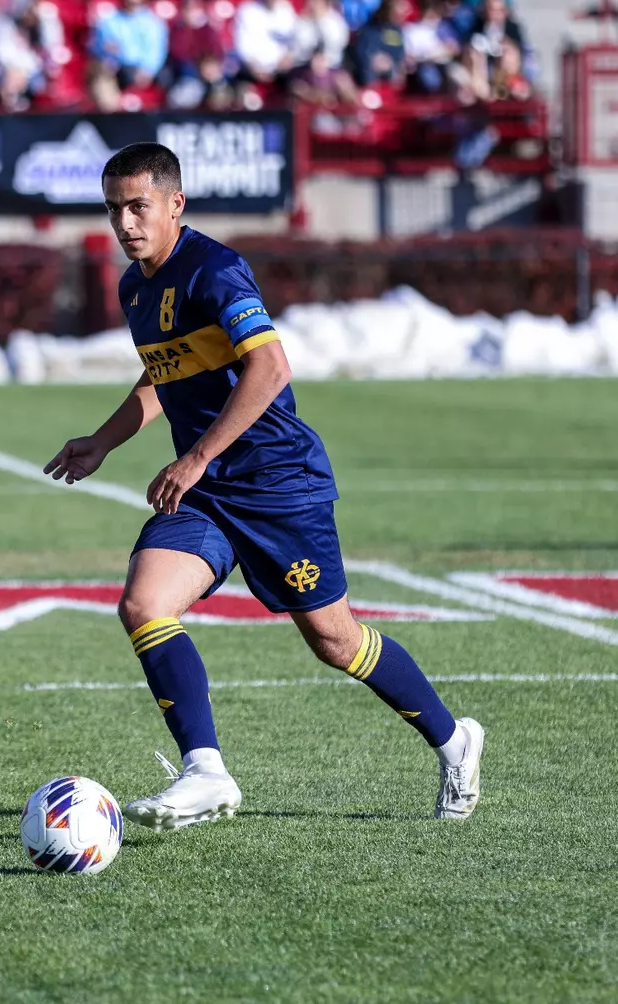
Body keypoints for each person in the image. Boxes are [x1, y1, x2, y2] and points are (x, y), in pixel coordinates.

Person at [43, 143, 484, 829]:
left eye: (138, 206)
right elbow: (167, 373)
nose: (125, 223)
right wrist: (104, 440)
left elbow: (270, 368)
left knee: (335, 641)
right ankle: (205, 772)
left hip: (279, 485)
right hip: (209, 497)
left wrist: (194, 458)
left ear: (175, 204)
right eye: (113, 209)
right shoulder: (136, 287)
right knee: (143, 604)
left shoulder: (214, 270)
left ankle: (456, 742)